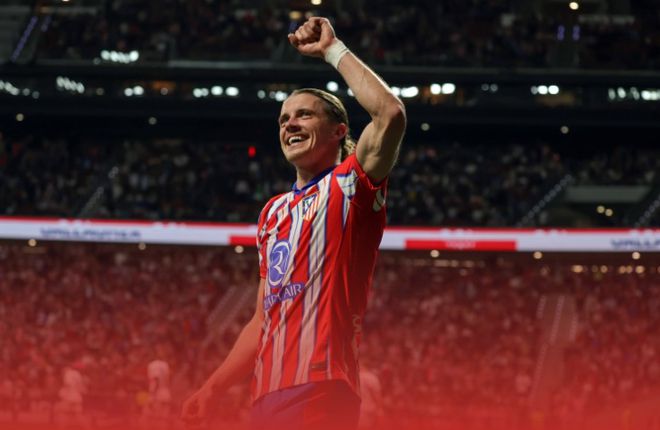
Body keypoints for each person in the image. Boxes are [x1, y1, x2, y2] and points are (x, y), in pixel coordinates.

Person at [181, 16, 405, 430]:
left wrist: (332, 51)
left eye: (304, 115)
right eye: (283, 119)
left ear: (338, 131)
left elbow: (390, 113)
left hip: (322, 385)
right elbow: (262, 318)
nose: (290, 125)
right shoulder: (272, 213)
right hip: (266, 395)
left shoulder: (351, 184)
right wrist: (213, 387)